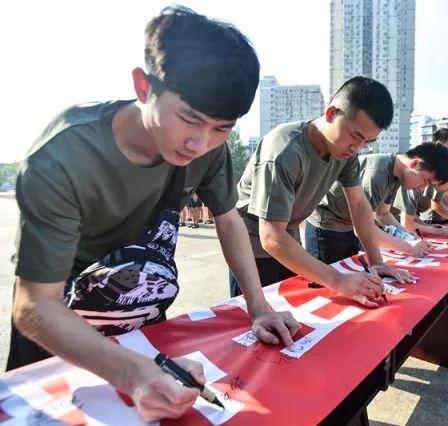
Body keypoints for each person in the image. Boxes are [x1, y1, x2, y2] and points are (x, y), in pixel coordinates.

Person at [8, 7, 300, 421]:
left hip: (137, 309)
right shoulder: (63, 155)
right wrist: (134, 373)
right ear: (143, 87)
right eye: (190, 119)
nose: (200, 143)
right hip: (63, 322)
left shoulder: (208, 149)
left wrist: (259, 306)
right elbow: (35, 306)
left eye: (222, 127)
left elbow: (229, 219)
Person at [232, 76, 414, 305]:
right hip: (252, 247)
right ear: (331, 114)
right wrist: (338, 280)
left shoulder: (345, 153)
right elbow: (270, 236)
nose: (358, 148)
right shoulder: (284, 150)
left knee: (296, 314)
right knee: (256, 325)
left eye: (367, 143)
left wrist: (376, 260)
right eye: (356, 136)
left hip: (288, 240)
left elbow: (359, 206)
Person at [306, 142, 448, 264]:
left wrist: (409, 236)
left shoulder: (397, 175)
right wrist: (408, 247)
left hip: (347, 226)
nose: (422, 188)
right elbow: (364, 227)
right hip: (327, 227)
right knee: (329, 284)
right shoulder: (377, 173)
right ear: (414, 164)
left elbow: (383, 214)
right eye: (425, 181)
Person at [394, 158, 448, 236]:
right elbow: (407, 223)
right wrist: (438, 231)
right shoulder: (417, 182)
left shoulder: (428, 182)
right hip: (391, 226)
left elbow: (410, 213)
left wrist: (427, 226)